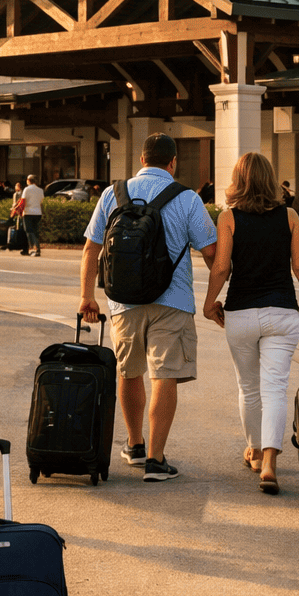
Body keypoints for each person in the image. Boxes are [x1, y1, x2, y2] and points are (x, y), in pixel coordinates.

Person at [79, 133, 217, 482]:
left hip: (123, 300)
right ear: (173, 163)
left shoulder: (113, 193)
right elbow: (212, 252)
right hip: (173, 300)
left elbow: (91, 249)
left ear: (142, 160)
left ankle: (135, 445)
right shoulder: (187, 198)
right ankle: (156, 460)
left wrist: (87, 296)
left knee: (130, 371)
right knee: (164, 375)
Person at [202, 153, 299, 494]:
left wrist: (207, 302)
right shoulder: (289, 216)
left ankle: (256, 452)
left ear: (237, 180)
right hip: (282, 314)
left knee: (249, 387)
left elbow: (221, 268)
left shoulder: (228, 218)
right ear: (271, 179)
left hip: (241, 314)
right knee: (275, 388)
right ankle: (271, 464)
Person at [20, 173, 44, 257]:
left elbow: (23, 202)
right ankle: (35, 248)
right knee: (35, 231)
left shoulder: (26, 189)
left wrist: (20, 212)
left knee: (29, 231)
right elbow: (41, 203)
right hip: (38, 213)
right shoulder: (40, 190)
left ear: (29, 180)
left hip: (28, 212)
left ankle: (35, 248)